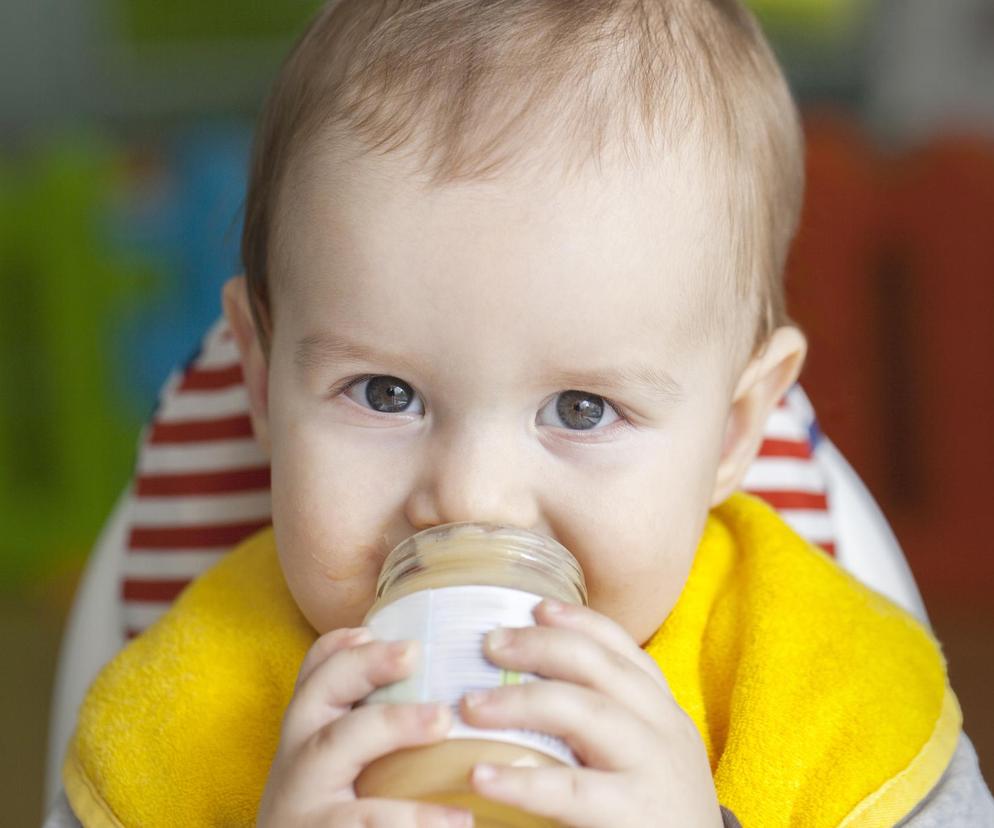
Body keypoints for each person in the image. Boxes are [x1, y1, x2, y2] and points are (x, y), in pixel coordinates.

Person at [49, 1, 994, 826]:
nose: (473, 497)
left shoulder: (807, 683)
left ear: (736, 430)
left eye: (582, 408)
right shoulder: (189, 706)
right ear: (262, 389)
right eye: (386, 394)